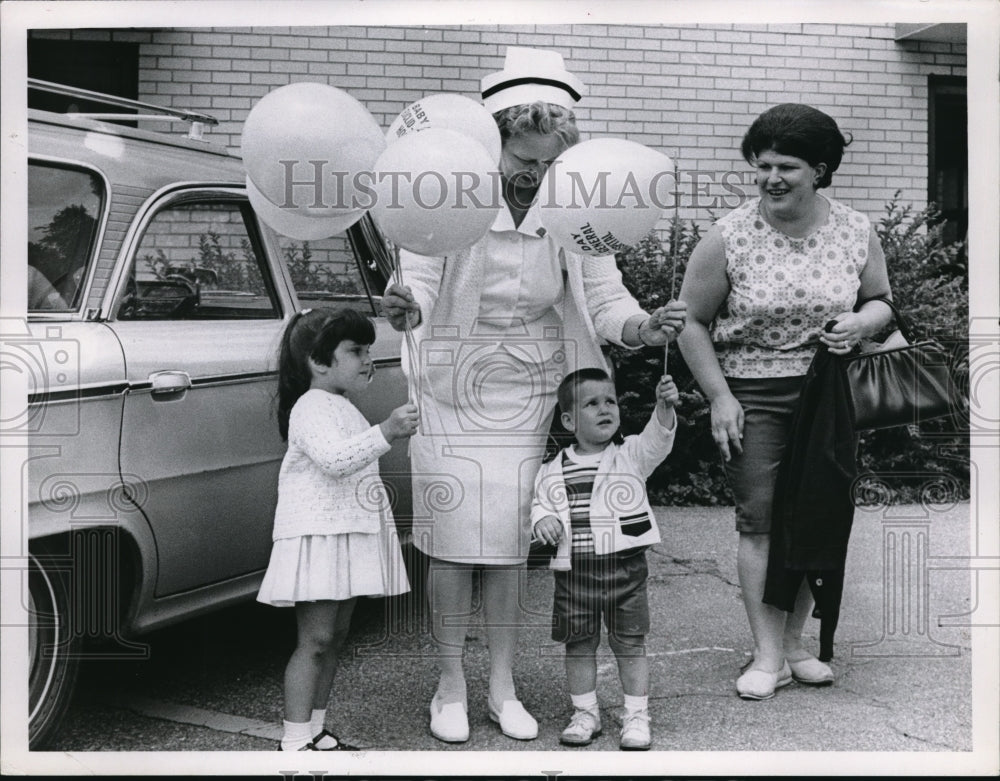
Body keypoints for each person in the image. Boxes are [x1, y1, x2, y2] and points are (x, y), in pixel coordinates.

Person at [381, 46, 686, 743]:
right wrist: (406, 305)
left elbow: (607, 300)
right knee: (455, 541)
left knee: (510, 542)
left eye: (551, 165)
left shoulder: (574, 204)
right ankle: (450, 685)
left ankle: (503, 685)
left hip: (526, 392)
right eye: (525, 163)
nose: (537, 178)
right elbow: (419, 283)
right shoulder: (447, 190)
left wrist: (644, 326)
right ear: (493, 149)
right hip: (449, 389)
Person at [676, 103, 893, 700]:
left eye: (787, 166)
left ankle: (795, 644)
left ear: (820, 170)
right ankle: (766, 653)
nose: (771, 177)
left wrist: (859, 321)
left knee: (814, 517)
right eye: (762, 165)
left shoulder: (855, 229)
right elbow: (692, 322)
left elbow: (882, 302)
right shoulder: (729, 235)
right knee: (761, 518)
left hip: (831, 397)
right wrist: (719, 398)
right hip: (753, 395)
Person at [257, 307, 419, 751]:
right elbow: (335, 461)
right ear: (319, 361)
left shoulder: (342, 406)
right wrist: (387, 429)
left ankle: (316, 730)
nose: (368, 359)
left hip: (345, 535)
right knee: (315, 640)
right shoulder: (310, 408)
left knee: (336, 637)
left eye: (368, 350)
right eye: (355, 351)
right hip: (320, 537)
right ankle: (293, 741)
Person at [531, 368, 678, 751]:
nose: (604, 409)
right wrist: (543, 518)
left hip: (625, 569)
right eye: (592, 403)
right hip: (573, 574)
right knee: (578, 644)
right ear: (568, 420)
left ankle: (636, 715)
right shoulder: (551, 468)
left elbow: (657, 441)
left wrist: (663, 408)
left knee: (630, 644)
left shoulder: (630, 454)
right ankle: (585, 713)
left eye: (610, 401)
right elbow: (540, 504)